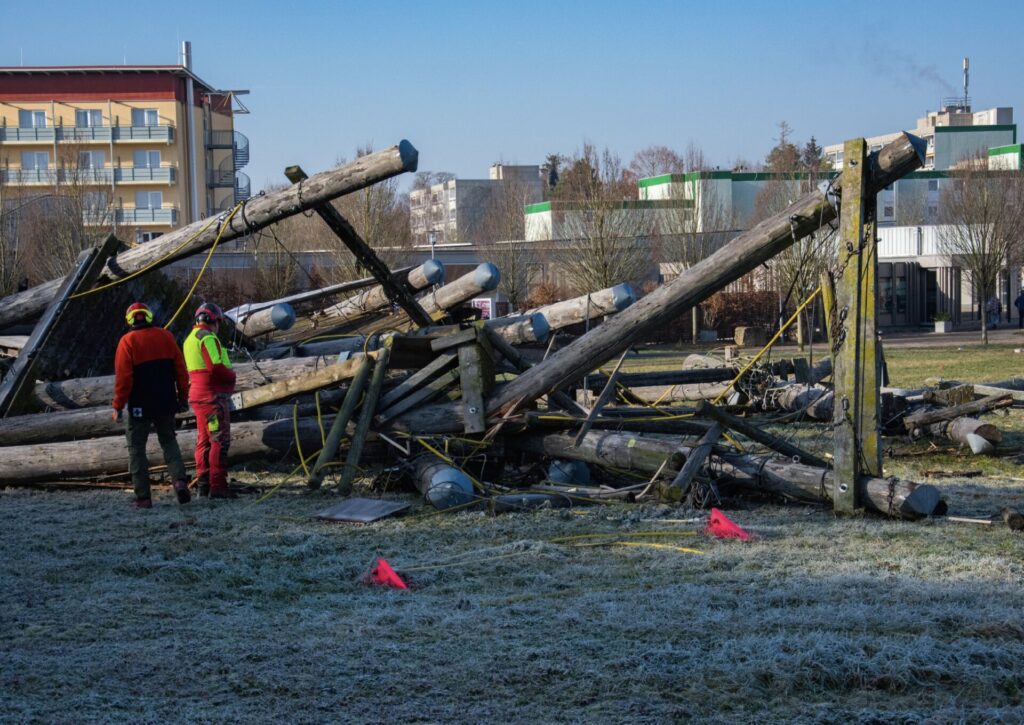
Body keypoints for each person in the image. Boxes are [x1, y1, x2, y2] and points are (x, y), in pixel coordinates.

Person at [112, 302, 191, 509]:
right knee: (169, 442)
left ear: (129, 319)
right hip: (166, 402)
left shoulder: (126, 342)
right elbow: (181, 371)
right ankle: (180, 481)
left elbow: (124, 380)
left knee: (137, 449)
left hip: (140, 406)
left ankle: (143, 498)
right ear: (148, 316)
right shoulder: (166, 336)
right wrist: (183, 397)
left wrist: (118, 406)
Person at [183, 302, 236, 498]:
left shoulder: (189, 339)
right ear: (214, 320)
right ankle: (218, 486)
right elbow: (215, 367)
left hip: (198, 398)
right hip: (211, 399)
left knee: (204, 439)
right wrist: (231, 377)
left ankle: (203, 484)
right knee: (218, 440)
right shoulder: (207, 338)